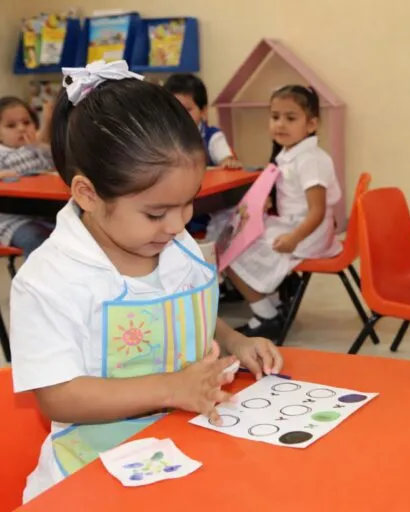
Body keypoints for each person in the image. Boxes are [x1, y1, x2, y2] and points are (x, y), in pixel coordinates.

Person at [10, 60, 282, 503]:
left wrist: (233, 341)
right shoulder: (50, 281)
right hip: (88, 476)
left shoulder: (173, 247)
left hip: (183, 449)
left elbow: (179, 314)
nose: (177, 225)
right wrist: (171, 388)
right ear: (88, 194)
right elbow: (58, 396)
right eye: (156, 213)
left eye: (188, 203)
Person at [226, 85, 342, 338]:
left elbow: (317, 211)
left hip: (306, 234)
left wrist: (293, 239)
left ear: (311, 124)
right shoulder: (291, 154)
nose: (280, 124)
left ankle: (267, 316)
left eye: (291, 118)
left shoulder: (310, 159)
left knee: (230, 253)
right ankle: (274, 303)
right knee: (237, 239)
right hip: (297, 226)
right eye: (275, 116)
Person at [0, 97, 55, 256]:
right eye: (11, 126)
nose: (22, 129)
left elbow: (53, 169)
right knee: (34, 238)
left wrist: (40, 146)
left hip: (46, 213)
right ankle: (38, 279)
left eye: (26, 123)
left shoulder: (37, 149)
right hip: (13, 221)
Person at [164, 73, 241, 168]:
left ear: (203, 111)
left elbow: (226, 160)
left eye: (187, 110)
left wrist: (228, 163)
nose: (180, 115)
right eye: (173, 109)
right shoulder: (161, 137)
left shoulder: (212, 137)